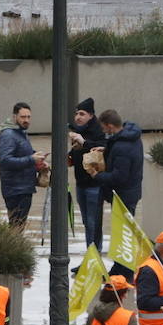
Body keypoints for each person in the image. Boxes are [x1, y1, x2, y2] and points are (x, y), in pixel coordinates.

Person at [0, 102, 45, 228]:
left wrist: (37, 158)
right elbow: (5, 160)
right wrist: (31, 159)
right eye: (23, 117)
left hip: (23, 187)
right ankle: (11, 247)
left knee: (18, 226)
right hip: (16, 190)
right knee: (16, 226)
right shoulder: (9, 135)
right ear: (14, 117)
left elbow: (22, 153)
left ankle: (12, 246)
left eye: (28, 117)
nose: (26, 120)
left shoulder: (20, 133)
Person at [90, 109, 144, 216]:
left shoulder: (122, 147)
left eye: (103, 128)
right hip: (131, 192)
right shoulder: (131, 138)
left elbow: (119, 177)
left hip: (123, 197)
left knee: (122, 230)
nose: (103, 131)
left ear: (110, 126)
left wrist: (97, 175)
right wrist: (107, 151)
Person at [68, 98, 106, 247]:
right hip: (81, 184)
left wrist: (83, 142)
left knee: (93, 223)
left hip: (94, 186)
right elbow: (78, 153)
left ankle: (94, 256)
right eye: (76, 113)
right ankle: (90, 255)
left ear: (91, 115)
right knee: (86, 221)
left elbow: (101, 150)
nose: (78, 117)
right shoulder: (79, 130)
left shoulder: (98, 131)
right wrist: (70, 157)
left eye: (82, 114)